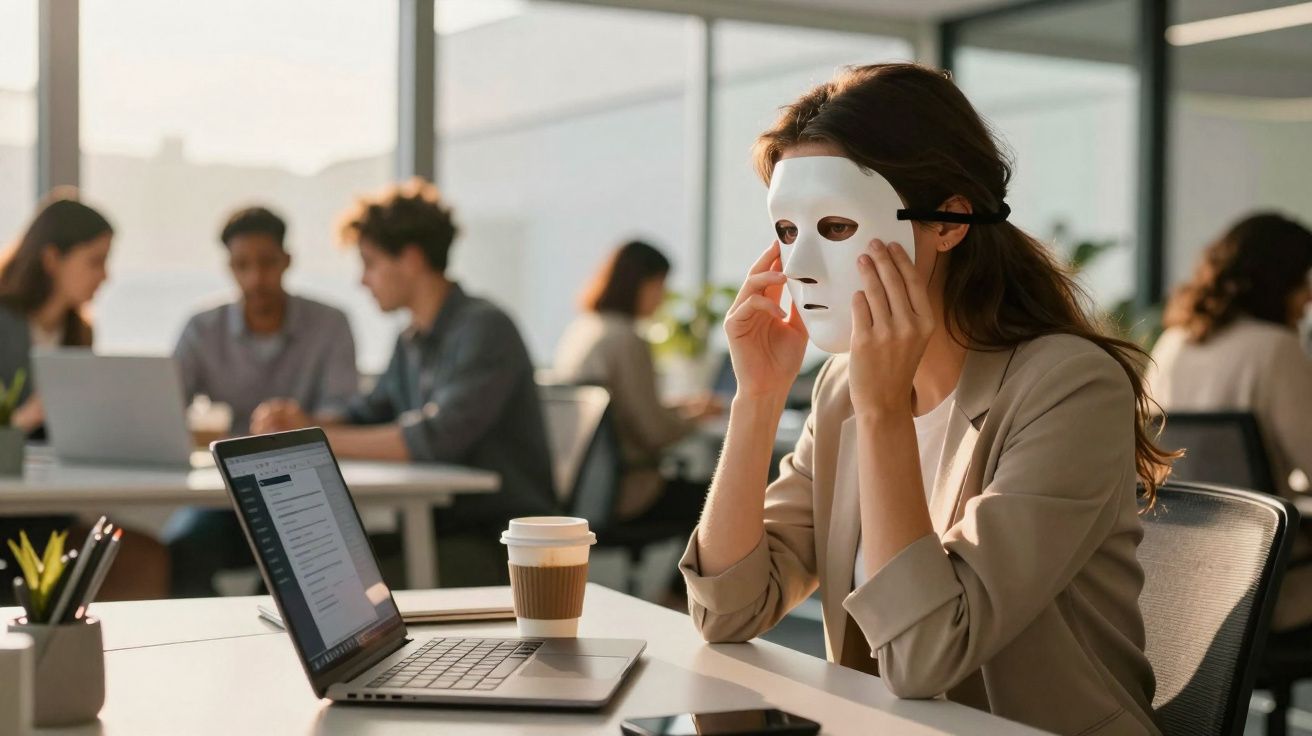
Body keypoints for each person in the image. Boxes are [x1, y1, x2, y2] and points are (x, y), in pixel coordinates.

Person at [679, 64, 1173, 736]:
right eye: (788, 232)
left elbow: (922, 659)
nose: (800, 266)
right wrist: (758, 399)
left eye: (835, 226)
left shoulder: (1069, 387)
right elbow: (728, 613)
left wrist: (883, 415)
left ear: (949, 223)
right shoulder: (840, 389)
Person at [251, 179, 555, 587]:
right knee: (290, 574)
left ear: (410, 259)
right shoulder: (411, 338)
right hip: (436, 531)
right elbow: (366, 414)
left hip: (503, 544)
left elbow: (436, 437)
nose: (363, 280)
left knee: (325, 586)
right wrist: (297, 422)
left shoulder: (485, 329)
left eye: (370, 263)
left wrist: (311, 436)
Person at [164, 206, 359, 596]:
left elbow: (347, 415)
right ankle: (212, 643)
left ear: (287, 261)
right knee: (182, 550)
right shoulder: (202, 329)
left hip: (304, 490)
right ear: (229, 267)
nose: (256, 278)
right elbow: (166, 410)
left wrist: (301, 422)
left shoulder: (330, 324)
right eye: (242, 266)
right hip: (225, 496)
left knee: (297, 570)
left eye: (267, 263)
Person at [0, 189, 169, 601]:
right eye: (95, 261)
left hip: (54, 510)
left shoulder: (78, 334)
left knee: (143, 558)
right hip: (9, 516)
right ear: (52, 259)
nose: (105, 276)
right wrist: (30, 415)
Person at [1148, 212, 1312, 631]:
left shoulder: (1172, 345)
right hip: (1268, 583)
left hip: (1178, 579)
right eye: (1304, 280)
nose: (1309, 297)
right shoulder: (1275, 348)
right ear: (1280, 280)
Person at [553, 240, 720, 524]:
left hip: (583, 487)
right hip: (629, 490)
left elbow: (621, 410)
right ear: (639, 284)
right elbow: (652, 433)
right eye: (660, 285)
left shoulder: (584, 329)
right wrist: (698, 418)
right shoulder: (627, 340)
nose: (664, 297)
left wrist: (680, 407)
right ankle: (688, 571)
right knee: (721, 499)